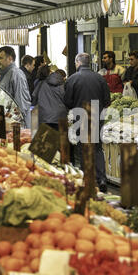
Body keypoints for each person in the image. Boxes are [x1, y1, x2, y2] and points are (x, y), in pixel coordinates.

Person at [64, 53, 110, 192]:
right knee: (97, 148)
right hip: (97, 116)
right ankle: (101, 178)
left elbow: (67, 101)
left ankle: (87, 179)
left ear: (78, 62)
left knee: (83, 148)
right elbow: (107, 101)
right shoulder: (100, 78)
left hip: (81, 116)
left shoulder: (72, 79)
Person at [0, 46, 32, 128]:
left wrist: (17, 124)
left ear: (10, 58)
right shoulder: (6, 74)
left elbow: (21, 103)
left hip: (16, 125)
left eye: (1, 58)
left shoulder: (16, 74)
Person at [31, 65, 67, 131]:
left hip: (44, 117)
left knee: (46, 139)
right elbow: (65, 99)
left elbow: (34, 98)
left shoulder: (41, 84)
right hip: (60, 116)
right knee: (59, 139)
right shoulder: (61, 84)